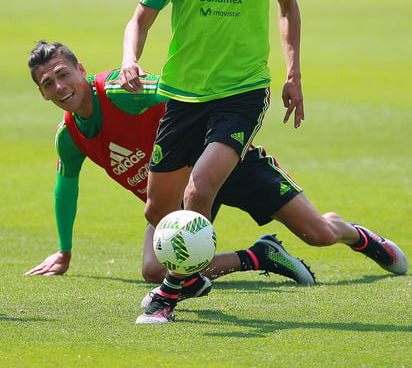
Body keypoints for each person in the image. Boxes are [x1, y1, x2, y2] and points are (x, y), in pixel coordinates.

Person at [118, 0, 407, 324]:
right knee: (158, 211)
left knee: (197, 191)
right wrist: (129, 59)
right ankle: (352, 236)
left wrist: (293, 72)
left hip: (242, 92)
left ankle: (169, 296)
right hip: (183, 97)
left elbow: (287, 6)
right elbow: (140, 18)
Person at [26, 41, 408, 316]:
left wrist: (226, 134)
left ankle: (354, 234)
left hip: (226, 162)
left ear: (80, 70)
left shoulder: (121, 92)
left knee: (319, 235)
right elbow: (66, 189)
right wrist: (64, 251)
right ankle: (259, 256)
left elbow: (187, 95)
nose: (59, 87)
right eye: (48, 84)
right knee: (154, 270)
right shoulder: (70, 137)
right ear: (42, 94)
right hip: (177, 192)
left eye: (63, 74)